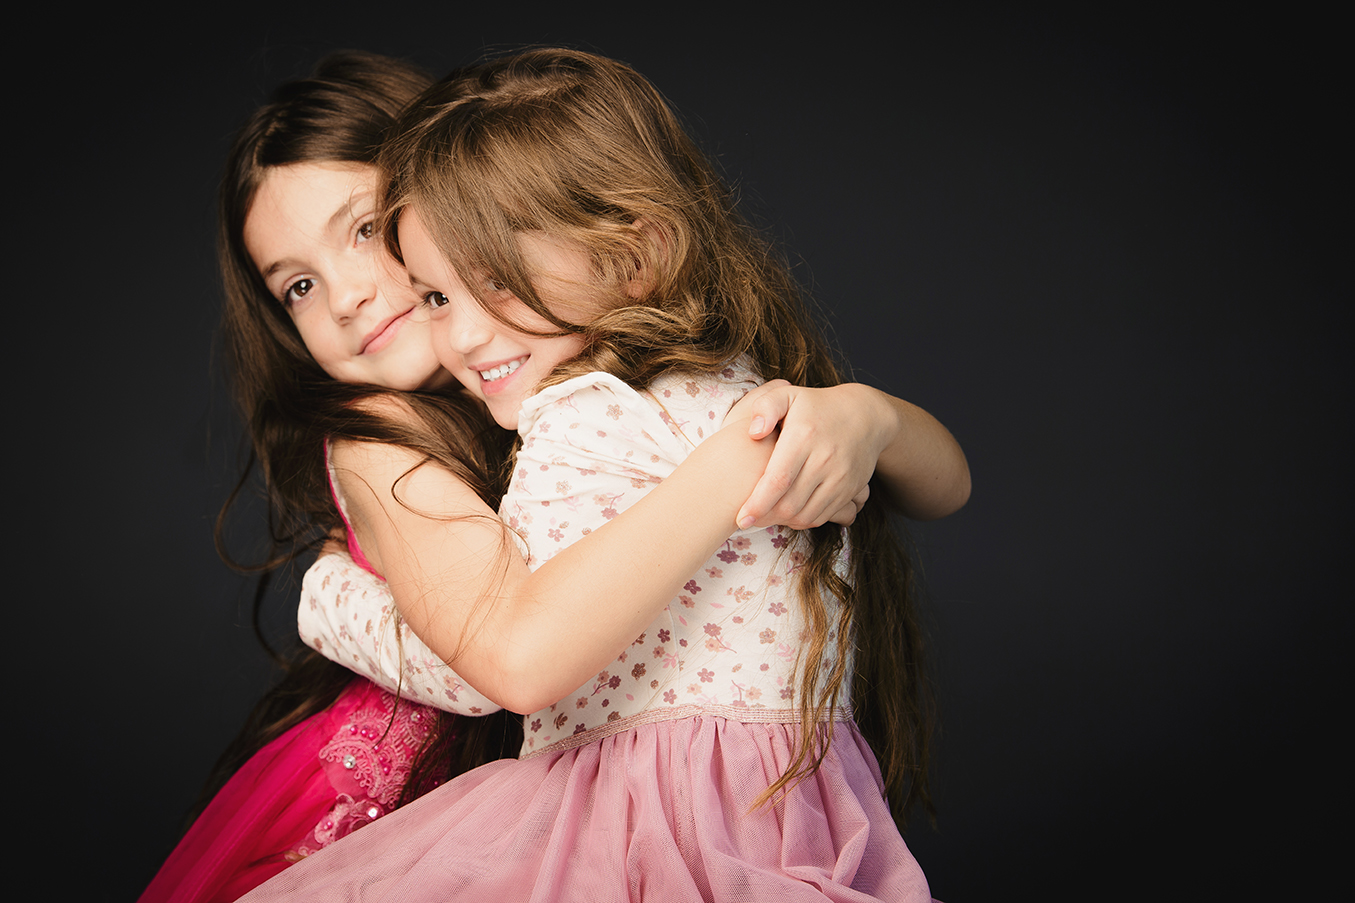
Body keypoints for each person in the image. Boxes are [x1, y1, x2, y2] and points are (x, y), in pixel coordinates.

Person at [144, 50, 963, 903]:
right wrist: (330, 596)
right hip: (412, 804)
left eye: (362, 230)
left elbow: (942, 485)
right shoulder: (396, 431)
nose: (348, 296)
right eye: (300, 286)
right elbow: (500, 657)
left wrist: (865, 416)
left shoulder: (603, 378)